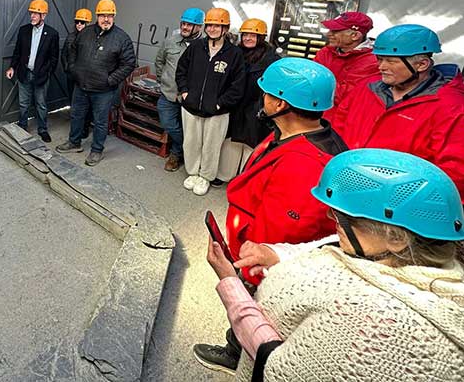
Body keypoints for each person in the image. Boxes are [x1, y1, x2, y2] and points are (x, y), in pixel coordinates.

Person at [205, 148, 464, 382]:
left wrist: (231, 286)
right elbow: (326, 246)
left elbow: (275, 365)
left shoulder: (374, 322)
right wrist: (274, 254)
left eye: (342, 216)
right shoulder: (381, 250)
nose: (330, 217)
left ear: (396, 238)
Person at [192, 57, 347, 374]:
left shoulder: (303, 163)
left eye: (266, 93)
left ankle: (240, 354)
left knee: (257, 314)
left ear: (280, 102)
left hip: (261, 265)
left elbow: (281, 234)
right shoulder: (296, 134)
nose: (261, 98)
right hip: (254, 245)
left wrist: (245, 278)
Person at [331, 23, 464, 198]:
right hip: (345, 190)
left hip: (396, 208)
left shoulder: (450, 106)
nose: (381, 67)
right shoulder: (366, 88)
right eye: (380, 59)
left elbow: (454, 173)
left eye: (391, 61)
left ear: (422, 64)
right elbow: (337, 129)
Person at [175, 8, 246, 196]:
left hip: (217, 112)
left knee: (211, 146)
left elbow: (238, 86)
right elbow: (181, 70)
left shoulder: (234, 54)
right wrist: (184, 92)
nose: (213, 29)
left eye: (217, 25)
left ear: (225, 28)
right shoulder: (196, 47)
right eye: (210, 25)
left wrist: (220, 103)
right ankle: (192, 172)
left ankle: (205, 176)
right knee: (191, 142)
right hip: (191, 107)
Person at [57, 0, 136, 166]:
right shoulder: (85, 33)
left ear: (114, 16)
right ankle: (74, 142)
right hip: (81, 86)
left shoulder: (121, 38)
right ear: (97, 16)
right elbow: (72, 49)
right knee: (77, 115)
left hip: (103, 90)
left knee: (100, 122)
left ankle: (97, 150)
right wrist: (73, 69)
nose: (105, 19)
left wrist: (110, 80)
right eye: (102, 15)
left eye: (109, 16)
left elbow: (129, 64)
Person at [215, 18, 281, 184]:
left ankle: (244, 180)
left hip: (257, 108)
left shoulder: (272, 59)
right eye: (245, 35)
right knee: (230, 142)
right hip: (234, 105)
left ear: (261, 37)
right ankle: (224, 175)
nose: (248, 38)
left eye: (253, 35)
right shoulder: (234, 53)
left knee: (251, 145)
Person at [154, 8, 204, 172]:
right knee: (168, 123)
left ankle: (176, 154)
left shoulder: (204, 46)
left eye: (190, 25)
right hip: (168, 94)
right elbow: (159, 62)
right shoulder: (171, 41)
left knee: (187, 127)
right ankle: (189, 149)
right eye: (183, 23)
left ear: (199, 27)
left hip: (190, 98)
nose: (185, 27)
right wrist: (164, 80)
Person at [6, 0, 60, 143]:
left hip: (41, 76)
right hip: (24, 73)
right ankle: (23, 126)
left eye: (37, 13)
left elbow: (54, 58)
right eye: (32, 13)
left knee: (41, 104)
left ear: (44, 15)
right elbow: (17, 52)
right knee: (23, 103)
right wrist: (12, 67)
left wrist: (47, 73)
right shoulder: (24, 31)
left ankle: (42, 129)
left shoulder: (52, 34)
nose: (33, 16)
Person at [312, 10, 378, 121]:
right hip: (312, 115)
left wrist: (316, 84)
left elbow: (348, 96)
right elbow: (308, 81)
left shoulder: (372, 60)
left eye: (335, 31)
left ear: (355, 35)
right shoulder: (326, 52)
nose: (328, 34)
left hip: (342, 124)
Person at [63, 8, 93, 140]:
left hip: (85, 79)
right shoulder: (70, 37)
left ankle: (85, 128)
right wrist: (67, 68)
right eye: (77, 22)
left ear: (88, 24)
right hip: (72, 76)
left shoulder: (92, 39)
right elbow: (64, 54)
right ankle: (76, 128)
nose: (79, 24)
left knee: (86, 105)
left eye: (82, 22)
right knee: (74, 104)